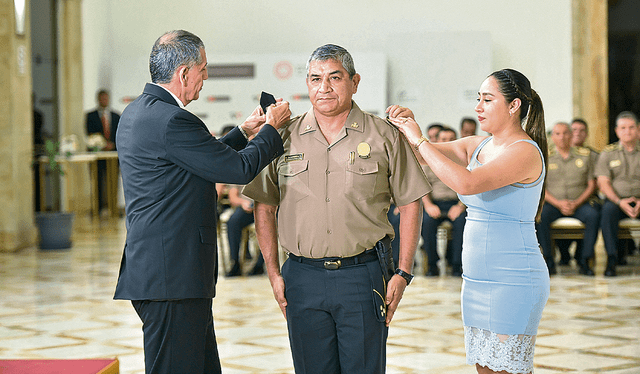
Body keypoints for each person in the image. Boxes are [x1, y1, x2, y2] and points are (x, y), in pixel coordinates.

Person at [242, 44, 431, 374]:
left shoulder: (384, 135)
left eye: (335, 77)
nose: (324, 87)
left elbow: (410, 204)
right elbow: (264, 206)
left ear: (355, 82)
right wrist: (273, 272)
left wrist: (403, 272)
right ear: (306, 83)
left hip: (362, 276)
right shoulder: (280, 137)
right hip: (302, 277)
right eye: (316, 78)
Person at [113, 30, 291, 374]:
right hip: (172, 277)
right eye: (203, 70)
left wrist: (243, 131)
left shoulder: (139, 112)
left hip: (164, 273)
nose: (206, 78)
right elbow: (238, 170)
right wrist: (272, 128)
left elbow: (194, 160)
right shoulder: (174, 120)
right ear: (183, 73)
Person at [390, 68, 550, 374]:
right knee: (485, 369)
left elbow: (467, 183)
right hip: (476, 280)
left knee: (508, 369)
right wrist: (405, 126)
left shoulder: (525, 152)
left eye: (487, 99)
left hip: (513, 279)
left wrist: (420, 138)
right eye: (478, 99)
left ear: (514, 105)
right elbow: (420, 155)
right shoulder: (476, 144)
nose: (478, 107)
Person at [535, 122, 600, 276]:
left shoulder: (585, 156)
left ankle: (585, 260)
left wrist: (576, 203)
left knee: (594, 215)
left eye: (565, 133)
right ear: (552, 137)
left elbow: (592, 184)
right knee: (540, 216)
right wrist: (558, 203)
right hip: (553, 204)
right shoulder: (544, 156)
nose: (562, 137)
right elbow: (541, 187)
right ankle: (549, 261)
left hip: (580, 203)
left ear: (571, 135)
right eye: (558, 133)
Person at [594, 111, 640, 277]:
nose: (627, 131)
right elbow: (603, 182)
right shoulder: (608, 153)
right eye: (623, 128)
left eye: (631, 127)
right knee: (607, 212)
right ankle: (612, 259)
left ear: (638, 129)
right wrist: (619, 201)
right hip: (617, 201)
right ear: (617, 131)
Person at [421, 126, 466, 277]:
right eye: (443, 140)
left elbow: (470, 186)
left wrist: (460, 206)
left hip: (457, 203)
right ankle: (432, 265)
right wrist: (428, 205)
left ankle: (456, 265)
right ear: (437, 141)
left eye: (451, 140)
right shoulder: (427, 161)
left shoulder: (464, 161)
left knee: (463, 222)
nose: (447, 143)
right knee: (426, 222)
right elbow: (422, 187)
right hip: (435, 204)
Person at [86, 89, 121, 212]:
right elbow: (90, 134)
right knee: (97, 182)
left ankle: (113, 208)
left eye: (106, 98)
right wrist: (101, 145)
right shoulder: (90, 116)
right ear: (98, 99)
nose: (104, 100)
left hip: (113, 155)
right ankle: (98, 208)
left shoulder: (116, 116)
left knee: (113, 182)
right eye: (102, 98)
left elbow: (120, 135)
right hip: (97, 155)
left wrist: (113, 145)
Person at [224, 184, 264, 276]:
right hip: (247, 207)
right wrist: (243, 202)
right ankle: (235, 263)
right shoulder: (237, 171)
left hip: (266, 206)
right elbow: (233, 197)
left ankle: (260, 264)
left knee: (269, 224)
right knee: (232, 222)